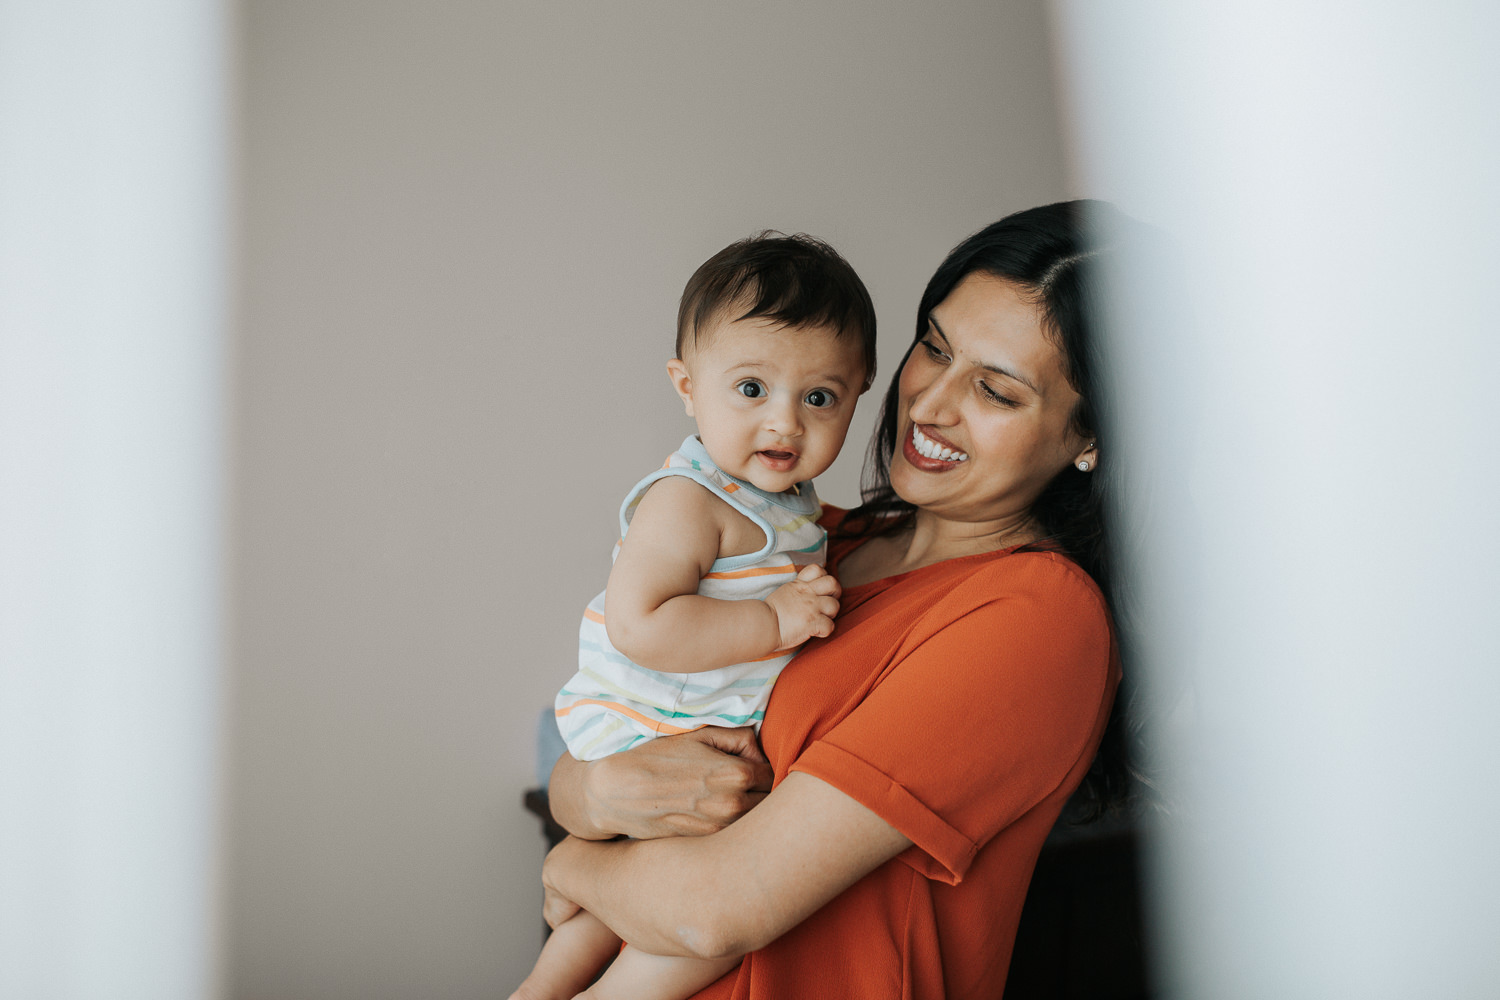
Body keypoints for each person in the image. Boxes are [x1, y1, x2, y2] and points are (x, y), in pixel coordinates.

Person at [536, 200, 1129, 1000]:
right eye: (935, 347)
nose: (928, 404)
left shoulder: (1035, 618)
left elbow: (714, 913)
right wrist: (597, 791)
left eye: (995, 390)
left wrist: (574, 855)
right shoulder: (816, 540)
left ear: (1092, 437)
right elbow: (617, 733)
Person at [512, 232, 879, 1000]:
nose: (784, 422)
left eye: (819, 397)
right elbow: (639, 623)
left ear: (859, 392)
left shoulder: (789, 504)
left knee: (626, 900)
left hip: (688, 725)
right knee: (710, 912)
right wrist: (775, 622)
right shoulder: (691, 500)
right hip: (651, 725)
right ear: (687, 386)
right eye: (751, 389)